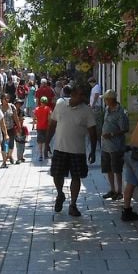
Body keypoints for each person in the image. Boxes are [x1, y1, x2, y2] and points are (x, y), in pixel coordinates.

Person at [46, 85, 97, 217]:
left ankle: (73, 205)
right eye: (80, 95)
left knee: (76, 177)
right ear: (73, 94)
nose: (83, 98)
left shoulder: (87, 111)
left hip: (77, 151)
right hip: (60, 148)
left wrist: (93, 149)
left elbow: (93, 132)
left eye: (84, 95)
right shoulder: (61, 104)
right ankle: (60, 194)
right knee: (57, 175)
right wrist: (46, 143)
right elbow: (52, 124)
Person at [100, 89, 129, 201]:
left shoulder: (121, 112)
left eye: (106, 99)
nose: (105, 101)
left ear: (111, 99)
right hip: (105, 146)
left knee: (117, 169)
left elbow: (125, 129)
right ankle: (112, 189)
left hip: (115, 146)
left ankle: (119, 191)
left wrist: (111, 134)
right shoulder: (107, 109)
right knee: (108, 168)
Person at [0, 94, 21, 167]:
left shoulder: (12, 106)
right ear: (2, 99)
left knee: (11, 144)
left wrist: (19, 127)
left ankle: (9, 155)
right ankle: (4, 162)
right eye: (5, 98)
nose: (7, 100)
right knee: (3, 145)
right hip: (1, 129)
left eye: (8, 98)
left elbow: (15, 117)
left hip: (11, 128)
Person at [33, 96, 52, 160]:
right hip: (46, 127)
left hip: (39, 127)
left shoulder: (37, 109)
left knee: (40, 142)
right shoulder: (48, 108)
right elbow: (50, 118)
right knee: (46, 141)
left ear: (40, 102)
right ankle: (45, 154)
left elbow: (34, 118)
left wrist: (33, 126)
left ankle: (41, 154)